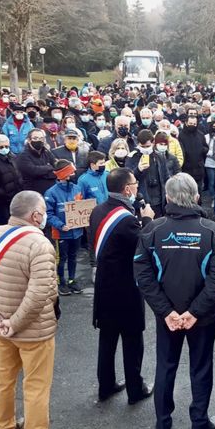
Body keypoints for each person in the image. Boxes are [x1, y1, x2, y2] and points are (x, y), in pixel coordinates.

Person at [0, 191, 69, 429]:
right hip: (34, 330)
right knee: (35, 385)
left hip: (1, 327)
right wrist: (14, 322)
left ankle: (5, 427)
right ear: (36, 215)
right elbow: (40, 294)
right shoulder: (40, 245)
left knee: (3, 379)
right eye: (44, 210)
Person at [134, 173, 215, 429]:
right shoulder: (211, 230)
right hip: (200, 316)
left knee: (166, 365)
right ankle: (199, 423)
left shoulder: (153, 229)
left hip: (171, 316)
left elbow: (142, 276)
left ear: (166, 198)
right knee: (201, 367)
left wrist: (168, 311)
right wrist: (194, 312)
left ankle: (163, 424)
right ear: (197, 197)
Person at [89, 168, 155, 405]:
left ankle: (105, 386)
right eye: (135, 183)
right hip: (126, 288)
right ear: (127, 188)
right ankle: (135, 391)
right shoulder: (126, 219)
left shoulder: (98, 210)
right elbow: (144, 245)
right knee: (131, 341)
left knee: (107, 339)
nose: (137, 187)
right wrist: (147, 218)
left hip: (104, 286)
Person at [44, 160, 83, 296]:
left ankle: (72, 280)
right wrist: (61, 225)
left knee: (73, 256)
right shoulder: (51, 193)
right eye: (71, 172)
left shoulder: (77, 189)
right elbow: (48, 214)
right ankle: (61, 282)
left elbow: (82, 208)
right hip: (61, 233)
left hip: (76, 231)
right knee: (61, 259)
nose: (74, 174)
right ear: (64, 174)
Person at [0, 134, 23, 225]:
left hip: (14, 197)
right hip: (1, 200)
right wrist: (1, 193)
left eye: (6, 146)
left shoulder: (12, 157)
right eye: (1, 147)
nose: (4, 149)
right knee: (2, 223)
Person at [16, 129, 57, 196]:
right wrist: (49, 167)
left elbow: (55, 167)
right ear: (29, 140)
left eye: (41, 138)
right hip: (33, 194)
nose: (39, 140)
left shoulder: (47, 152)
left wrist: (43, 171)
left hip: (50, 191)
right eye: (35, 138)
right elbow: (33, 171)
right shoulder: (23, 156)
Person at [179, 115, 209, 197]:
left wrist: (202, 150)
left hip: (198, 168)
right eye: (190, 123)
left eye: (194, 124)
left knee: (198, 193)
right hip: (186, 168)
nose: (192, 125)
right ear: (186, 123)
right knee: (186, 192)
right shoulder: (181, 135)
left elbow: (206, 147)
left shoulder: (200, 134)